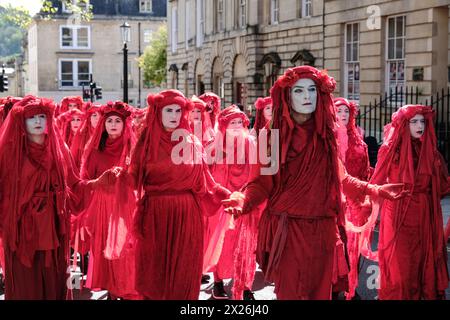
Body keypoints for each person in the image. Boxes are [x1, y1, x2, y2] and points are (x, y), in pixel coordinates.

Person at [222, 66, 408, 300]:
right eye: (299, 91)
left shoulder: (326, 135)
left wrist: (375, 189)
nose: (307, 96)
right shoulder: (271, 137)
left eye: (312, 89)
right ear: (287, 97)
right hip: (288, 231)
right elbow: (261, 183)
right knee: (290, 293)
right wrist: (243, 200)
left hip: (323, 232)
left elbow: (341, 178)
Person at [117, 89, 231, 300]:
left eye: (178, 110)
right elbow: (133, 179)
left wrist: (228, 196)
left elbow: (206, 182)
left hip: (188, 218)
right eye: (168, 110)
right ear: (158, 113)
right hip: (155, 217)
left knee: (184, 275)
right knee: (154, 275)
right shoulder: (146, 143)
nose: (174, 115)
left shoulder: (193, 144)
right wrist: (118, 177)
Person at [0, 95, 113, 300]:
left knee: (55, 280)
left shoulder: (61, 150)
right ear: (21, 121)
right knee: (26, 281)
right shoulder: (10, 152)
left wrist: (96, 184)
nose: (37, 121)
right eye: (31, 117)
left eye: (42, 116)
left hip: (54, 227)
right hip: (22, 230)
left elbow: (75, 186)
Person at [360, 105, 450, 300]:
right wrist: (367, 207)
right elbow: (376, 182)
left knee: (422, 261)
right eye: (414, 121)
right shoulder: (390, 149)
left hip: (424, 214)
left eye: (422, 121)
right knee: (401, 263)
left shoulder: (431, 152)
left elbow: (442, 186)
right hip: (399, 212)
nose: (420, 125)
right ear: (403, 124)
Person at [79, 101, 139, 299]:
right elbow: (84, 180)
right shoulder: (95, 151)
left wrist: (126, 178)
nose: (113, 124)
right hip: (103, 206)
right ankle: (112, 291)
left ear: (125, 124)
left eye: (118, 121)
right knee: (106, 249)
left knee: (126, 249)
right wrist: (98, 181)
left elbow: (141, 177)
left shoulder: (133, 147)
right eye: (110, 120)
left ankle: (126, 288)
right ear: (103, 124)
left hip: (127, 204)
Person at [203, 105, 259, 300]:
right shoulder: (213, 145)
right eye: (231, 123)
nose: (236, 126)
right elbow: (205, 174)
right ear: (224, 126)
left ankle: (245, 285)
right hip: (221, 202)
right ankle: (217, 282)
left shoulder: (251, 144)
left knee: (245, 243)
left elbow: (258, 174)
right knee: (221, 241)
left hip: (244, 202)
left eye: (239, 123)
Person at [334, 97, 372, 300]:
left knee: (354, 247)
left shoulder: (358, 137)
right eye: (338, 111)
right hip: (335, 201)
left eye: (346, 112)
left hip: (356, 200)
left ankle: (350, 287)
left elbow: (365, 169)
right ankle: (334, 288)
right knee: (336, 248)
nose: (342, 115)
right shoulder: (327, 137)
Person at [70, 102, 102, 170]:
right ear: (89, 118)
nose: (97, 118)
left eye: (100, 115)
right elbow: (72, 159)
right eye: (94, 115)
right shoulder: (80, 134)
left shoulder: (108, 134)